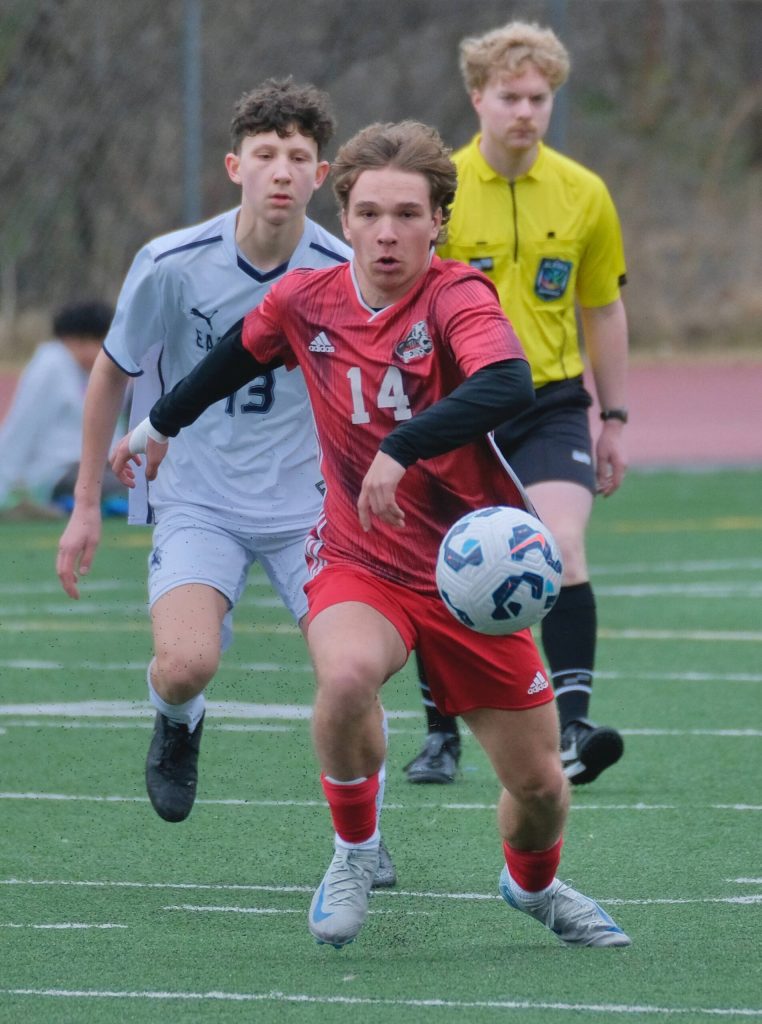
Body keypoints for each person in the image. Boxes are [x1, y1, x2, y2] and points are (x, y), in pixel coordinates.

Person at [114, 120, 631, 951]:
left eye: (407, 214)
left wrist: (401, 445)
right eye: (369, 214)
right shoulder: (305, 297)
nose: (387, 232)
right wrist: (157, 426)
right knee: (347, 673)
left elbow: (506, 382)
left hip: (471, 575)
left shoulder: (457, 295)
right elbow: (238, 358)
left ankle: (533, 888)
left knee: (540, 789)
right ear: (343, 216)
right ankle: (354, 851)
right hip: (363, 557)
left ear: (438, 223)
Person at [55, 78, 396, 887]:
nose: (283, 170)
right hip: (197, 499)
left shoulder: (345, 270)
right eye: (268, 154)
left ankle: (366, 835)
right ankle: (177, 722)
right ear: (235, 165)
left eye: (301, 158)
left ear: (322, 178)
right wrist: (81, 509)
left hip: (313, 509)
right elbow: (111, 373)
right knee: (184, 665)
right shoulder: (171, 264)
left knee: (350, 679)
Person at [407, 20, 629, 787]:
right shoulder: (439, 191)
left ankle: (572, 729)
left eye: (539, 97)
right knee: (443, 563)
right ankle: (440, 733)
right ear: (478, 97)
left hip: (551, 402)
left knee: (560, 544)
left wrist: (616, 419)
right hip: (457, 405)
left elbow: (601, 308)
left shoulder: (583, 193)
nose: (525, 111)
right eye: (510, 96)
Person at [0, 300, 123, 520]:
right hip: (60, 472)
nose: (101, 351)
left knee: (143, 481)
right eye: (97, 342)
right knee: (131, 488)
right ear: (72, 340)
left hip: (97, 467)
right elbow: (21, 427)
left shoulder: (94, 371)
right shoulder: (50, 365)